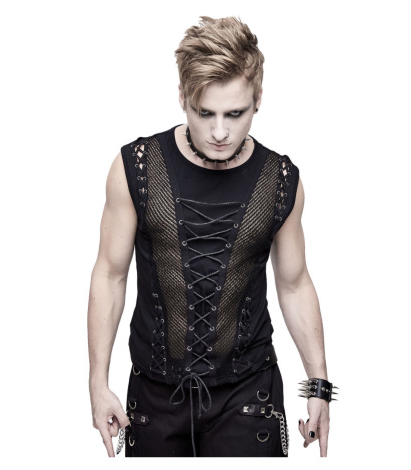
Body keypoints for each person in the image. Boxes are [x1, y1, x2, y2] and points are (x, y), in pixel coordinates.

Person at [88, 15, 336, 458]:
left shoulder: (280, 180)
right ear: (182, 97)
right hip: (154, 396)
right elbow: (110, 275)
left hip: (248, 395)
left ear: (258, 100)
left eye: (235, 114)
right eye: (205, 113)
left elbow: (294, 283)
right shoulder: (136, 168)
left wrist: (319, 384)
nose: (220, 132)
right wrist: (97, 382)